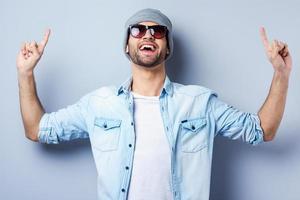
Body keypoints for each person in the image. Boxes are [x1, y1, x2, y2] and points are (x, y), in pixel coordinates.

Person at [16, 8, 292, 200]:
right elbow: (37, 129)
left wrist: (281, 74)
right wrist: (26, 73)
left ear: (167, 47)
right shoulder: (99, 104)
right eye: (138, 30)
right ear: (127, 45)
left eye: (157, 31)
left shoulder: (200, 103)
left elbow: (261, 130)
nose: (148, 35)